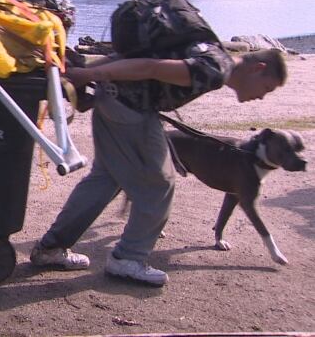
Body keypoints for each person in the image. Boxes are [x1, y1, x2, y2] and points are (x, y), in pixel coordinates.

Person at [30, 39, 287, 287]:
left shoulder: (210, 48)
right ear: (257, 69)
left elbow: (140, 56)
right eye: (267, 88)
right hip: (132, 110)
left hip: (110, 99)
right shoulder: (216, 68)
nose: (262, 97)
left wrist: (89, 70)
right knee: (160, 183)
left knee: (106, 178)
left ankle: (51, 248)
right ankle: (129, 258)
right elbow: (148, 67)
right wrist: (88, 74)